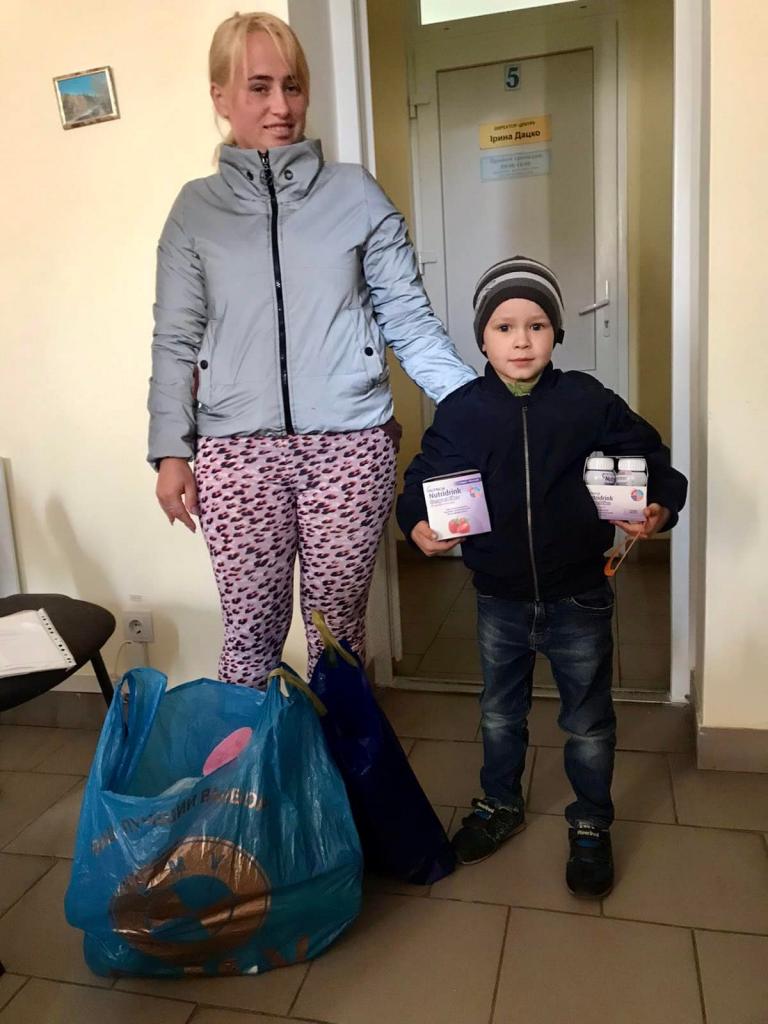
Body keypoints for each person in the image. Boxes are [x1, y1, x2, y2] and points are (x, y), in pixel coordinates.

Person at [148, 12, 476, 685]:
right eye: (259, 87)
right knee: (249, 637)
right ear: (220, 97)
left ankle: (337, 754)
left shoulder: (355, 194)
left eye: (292, 86)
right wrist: (171, 450)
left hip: (349, 447)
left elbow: (409, 320)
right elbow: (175, 338)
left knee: (338, 634)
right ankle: (256, 758)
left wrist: (480, 406)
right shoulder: (194, 211)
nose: (281, 106)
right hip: (236, 452)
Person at [396, 256, 687, 898]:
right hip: (498, 597)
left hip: (579, 593)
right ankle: (500, 804)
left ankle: (591, 822)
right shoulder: (462, 411)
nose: (521, 341)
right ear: (482, 338)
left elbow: (653, 456)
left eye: (536, 325)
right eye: (504, 327)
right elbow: (422, 478)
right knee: (500, 714)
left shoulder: (587, 400)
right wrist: (415, 520)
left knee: (587, 720)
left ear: (557, 332)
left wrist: (659, 505)